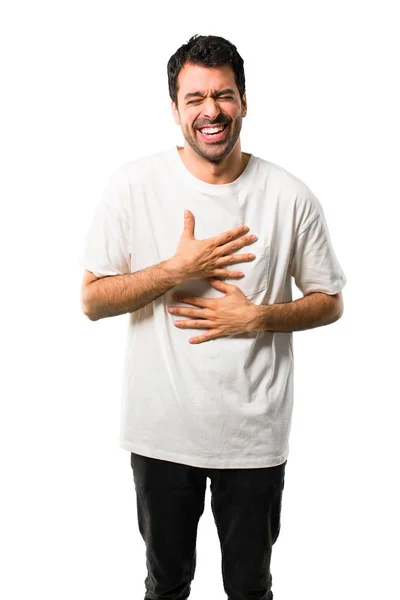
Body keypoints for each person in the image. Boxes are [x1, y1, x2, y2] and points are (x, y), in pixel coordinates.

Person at [80, 34, 347, 600]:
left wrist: (259, 319)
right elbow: (92, 300)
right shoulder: (133, 186)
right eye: (194, 97)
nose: (211, 110)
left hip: (253, 436)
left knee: (250, 588)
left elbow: (330, 299)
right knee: (167, 583)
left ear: (244, 101)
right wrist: (176, 269)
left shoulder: (289, 195)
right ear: (175, 110)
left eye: (223, 94)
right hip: (161, 432)